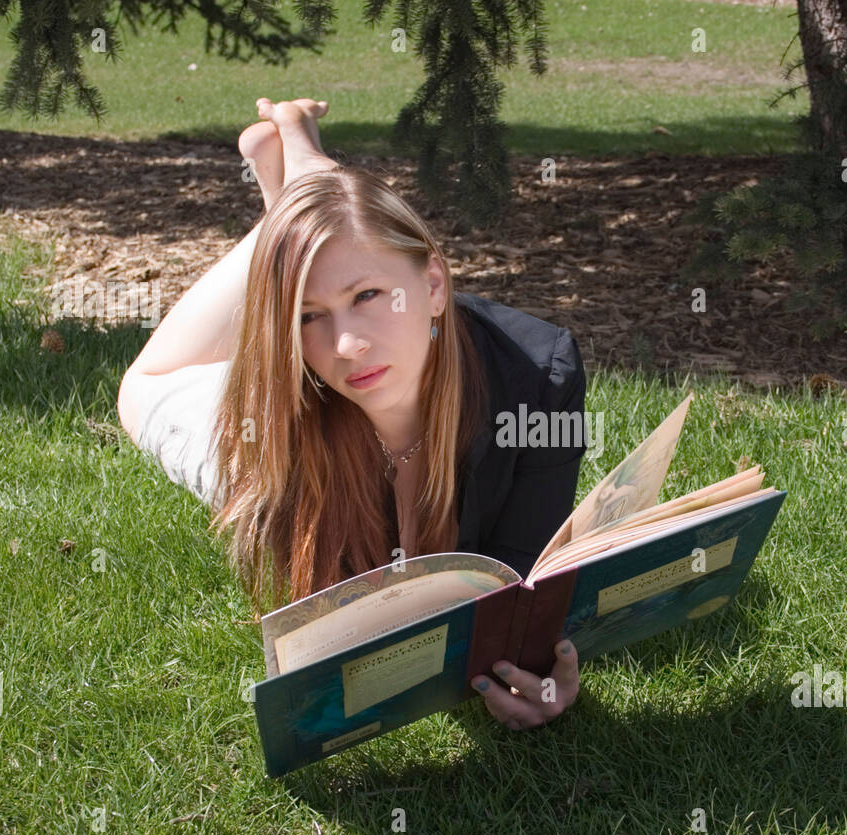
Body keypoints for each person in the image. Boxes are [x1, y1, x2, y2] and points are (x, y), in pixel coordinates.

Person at [117, 97, 585, 731]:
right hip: (292, 408)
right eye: (309, 315)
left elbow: (523, 581)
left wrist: (538, 674)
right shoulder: (276, 423)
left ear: (434, 286)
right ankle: (300, 192)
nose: (347, 345)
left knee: (316, 244)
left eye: (369, 295)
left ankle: (305, 191)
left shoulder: (538, 378)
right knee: (143, 385)